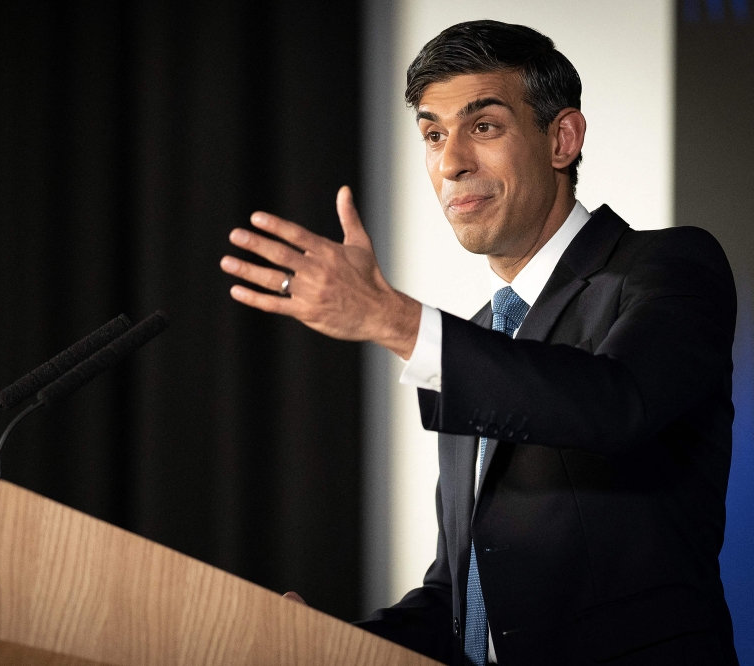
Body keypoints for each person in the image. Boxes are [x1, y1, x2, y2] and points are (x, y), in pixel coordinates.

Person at [219, 20, 738, 666]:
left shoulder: (667, 265)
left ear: (562, 138)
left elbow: (616, 404)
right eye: (433, 134)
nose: (450, 161)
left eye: (483, 126)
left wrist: (396, 321)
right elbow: (460, 607)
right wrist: (324, 645)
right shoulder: (476, 339)